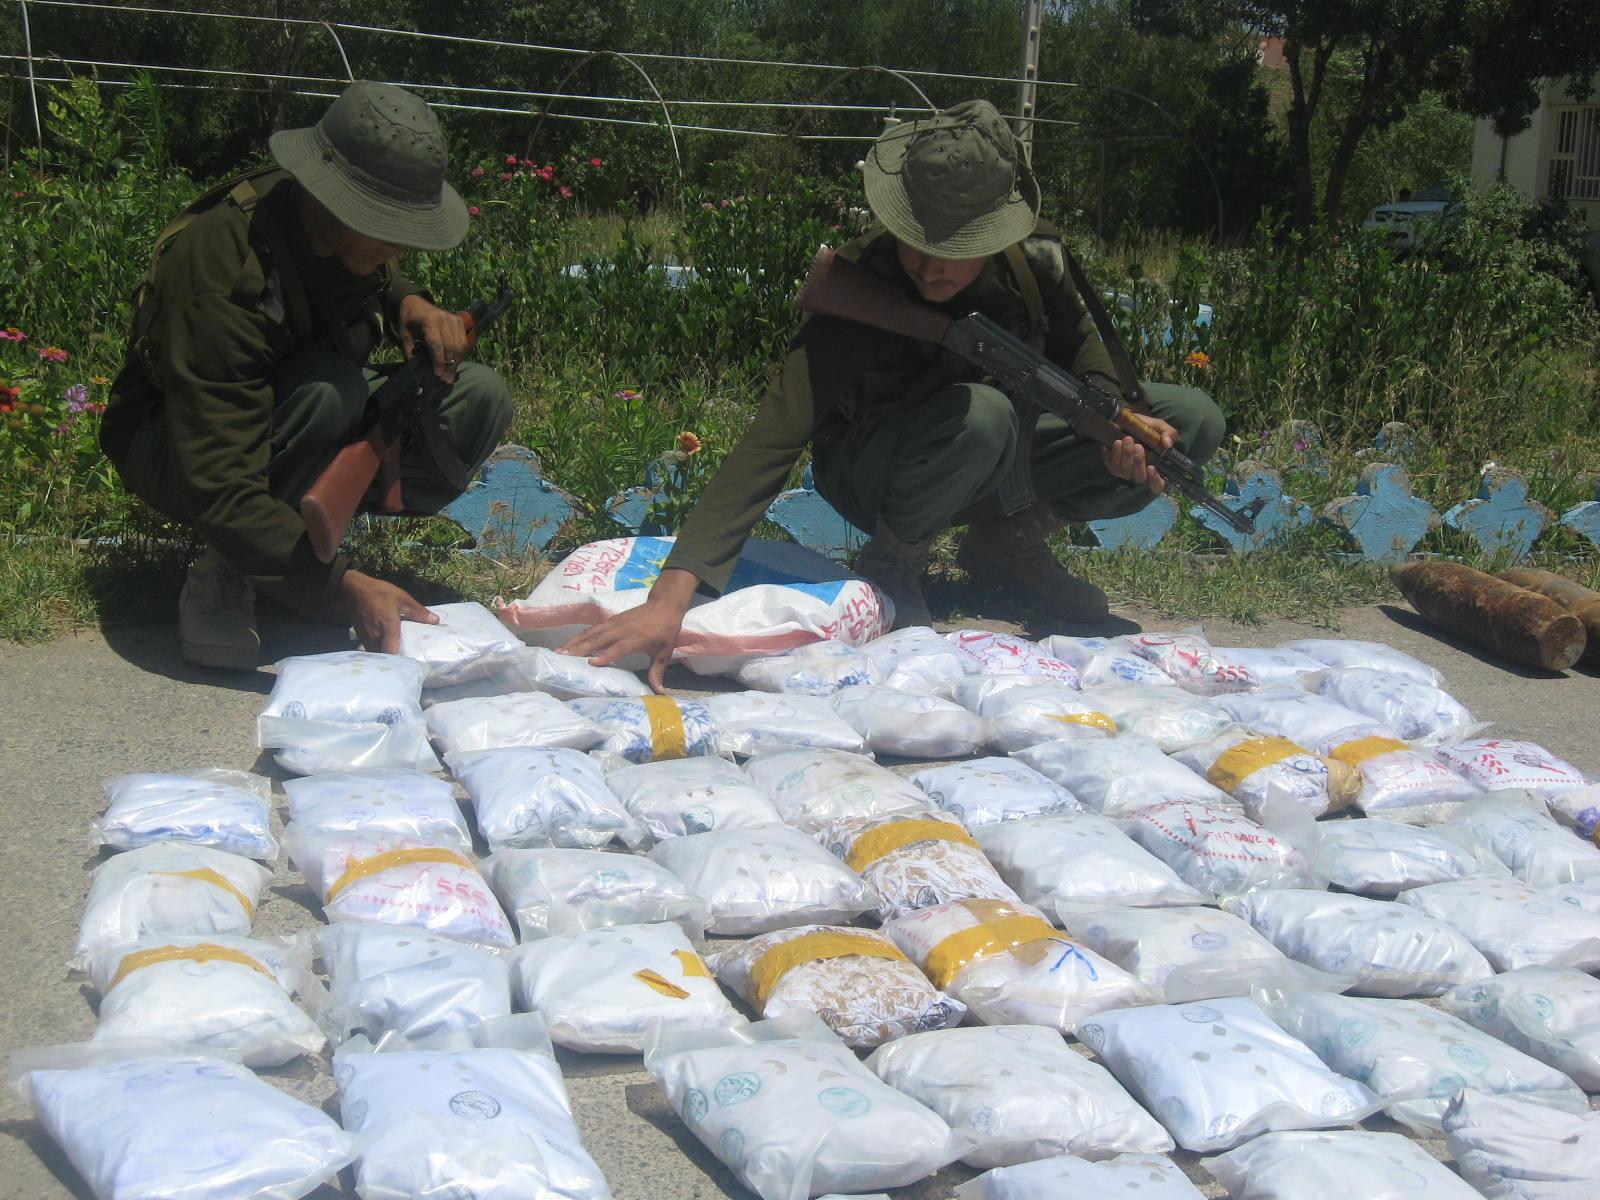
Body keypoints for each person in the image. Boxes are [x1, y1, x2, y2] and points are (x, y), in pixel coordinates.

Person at [564, 99, 1223, 690]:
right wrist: (670, 600)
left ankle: (1007, 544)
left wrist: (1115, 418)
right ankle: (892, 563)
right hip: (874, 471)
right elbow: (772, 439)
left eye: (955, 247)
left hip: (993, 456)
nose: (929, 267)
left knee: (1190, 419)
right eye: (917, 239)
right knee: (983, 413)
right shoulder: (865, 282)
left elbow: (1082, 344)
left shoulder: (1035, 263)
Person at [101, 81, 512, 669]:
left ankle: (296, 539)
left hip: (278, 417)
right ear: (329, 196)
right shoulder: (224, 274)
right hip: (175, 444)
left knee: (478, 397)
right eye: (385, 224)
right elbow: (218, 482)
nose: (399, 245)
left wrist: (409, 302)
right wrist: (341, 590)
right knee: (329, 393)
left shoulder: (336, 229)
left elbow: (369, 273)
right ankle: (230, 568)